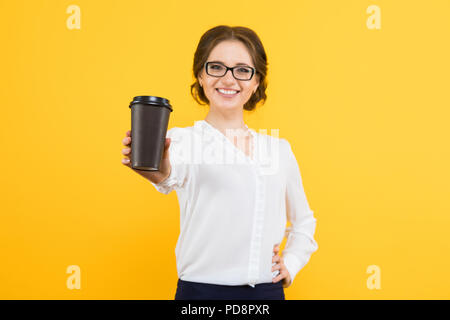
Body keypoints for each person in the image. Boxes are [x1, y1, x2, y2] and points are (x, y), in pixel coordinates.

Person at [121, 25, 318, 300]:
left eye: (242, 70)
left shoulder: (278, 150)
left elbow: (303, 221)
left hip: (266, 295)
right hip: (200, 295)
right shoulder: (182, 141)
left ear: (256, 81)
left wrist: (292, 263)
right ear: (200, 75)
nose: (229, 79)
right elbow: (170, 172)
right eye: (216, 67)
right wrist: (158, 170)